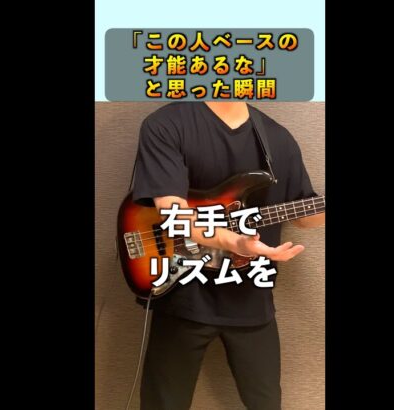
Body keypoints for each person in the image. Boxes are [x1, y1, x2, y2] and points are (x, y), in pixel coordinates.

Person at [131, 101, 324, 409]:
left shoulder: (278, 139)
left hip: (252, 298)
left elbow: (303, 215)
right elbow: (173, 214)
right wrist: (235, 242)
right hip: (183, 294)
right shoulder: (167, 123)